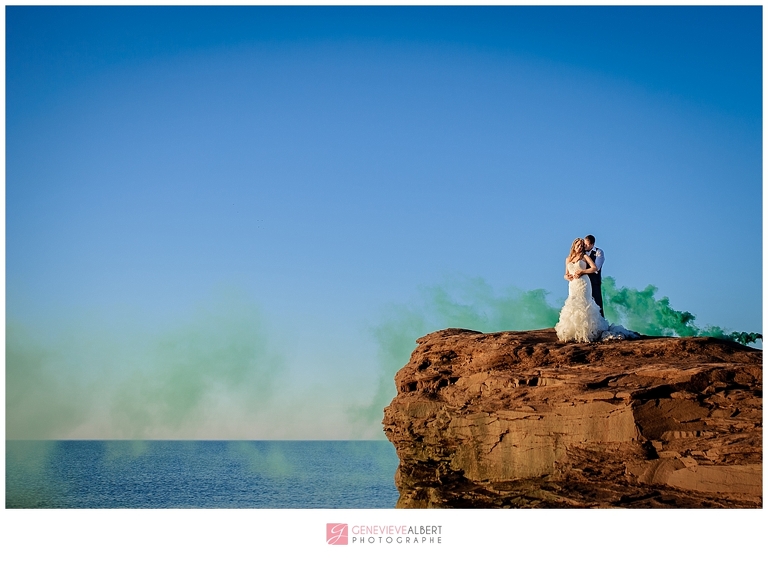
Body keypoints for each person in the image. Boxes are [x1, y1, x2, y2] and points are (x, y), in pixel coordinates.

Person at [555, 237, 637, 343]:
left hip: (583, 283)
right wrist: (568, 277)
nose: (580, 247)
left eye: (582, 245)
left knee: (585, 304)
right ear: (574, 246)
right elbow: (565, 274)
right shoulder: (568, 259)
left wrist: (582, 272)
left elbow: (594, 268)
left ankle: (589, 332)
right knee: (572, 304)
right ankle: (574, 332)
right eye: (578, 245)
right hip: (573, 284)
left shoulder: (584, 256)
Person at [583, 235, 604, 317]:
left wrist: (582, 271)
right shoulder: (581, 252)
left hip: (594, 281)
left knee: (597, 301)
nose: (585, 246)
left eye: (587, 244)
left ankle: (599, 322)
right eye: (584, 244)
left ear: (592, 244)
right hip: (583, 281)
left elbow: (596, 268)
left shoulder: (599, 252)